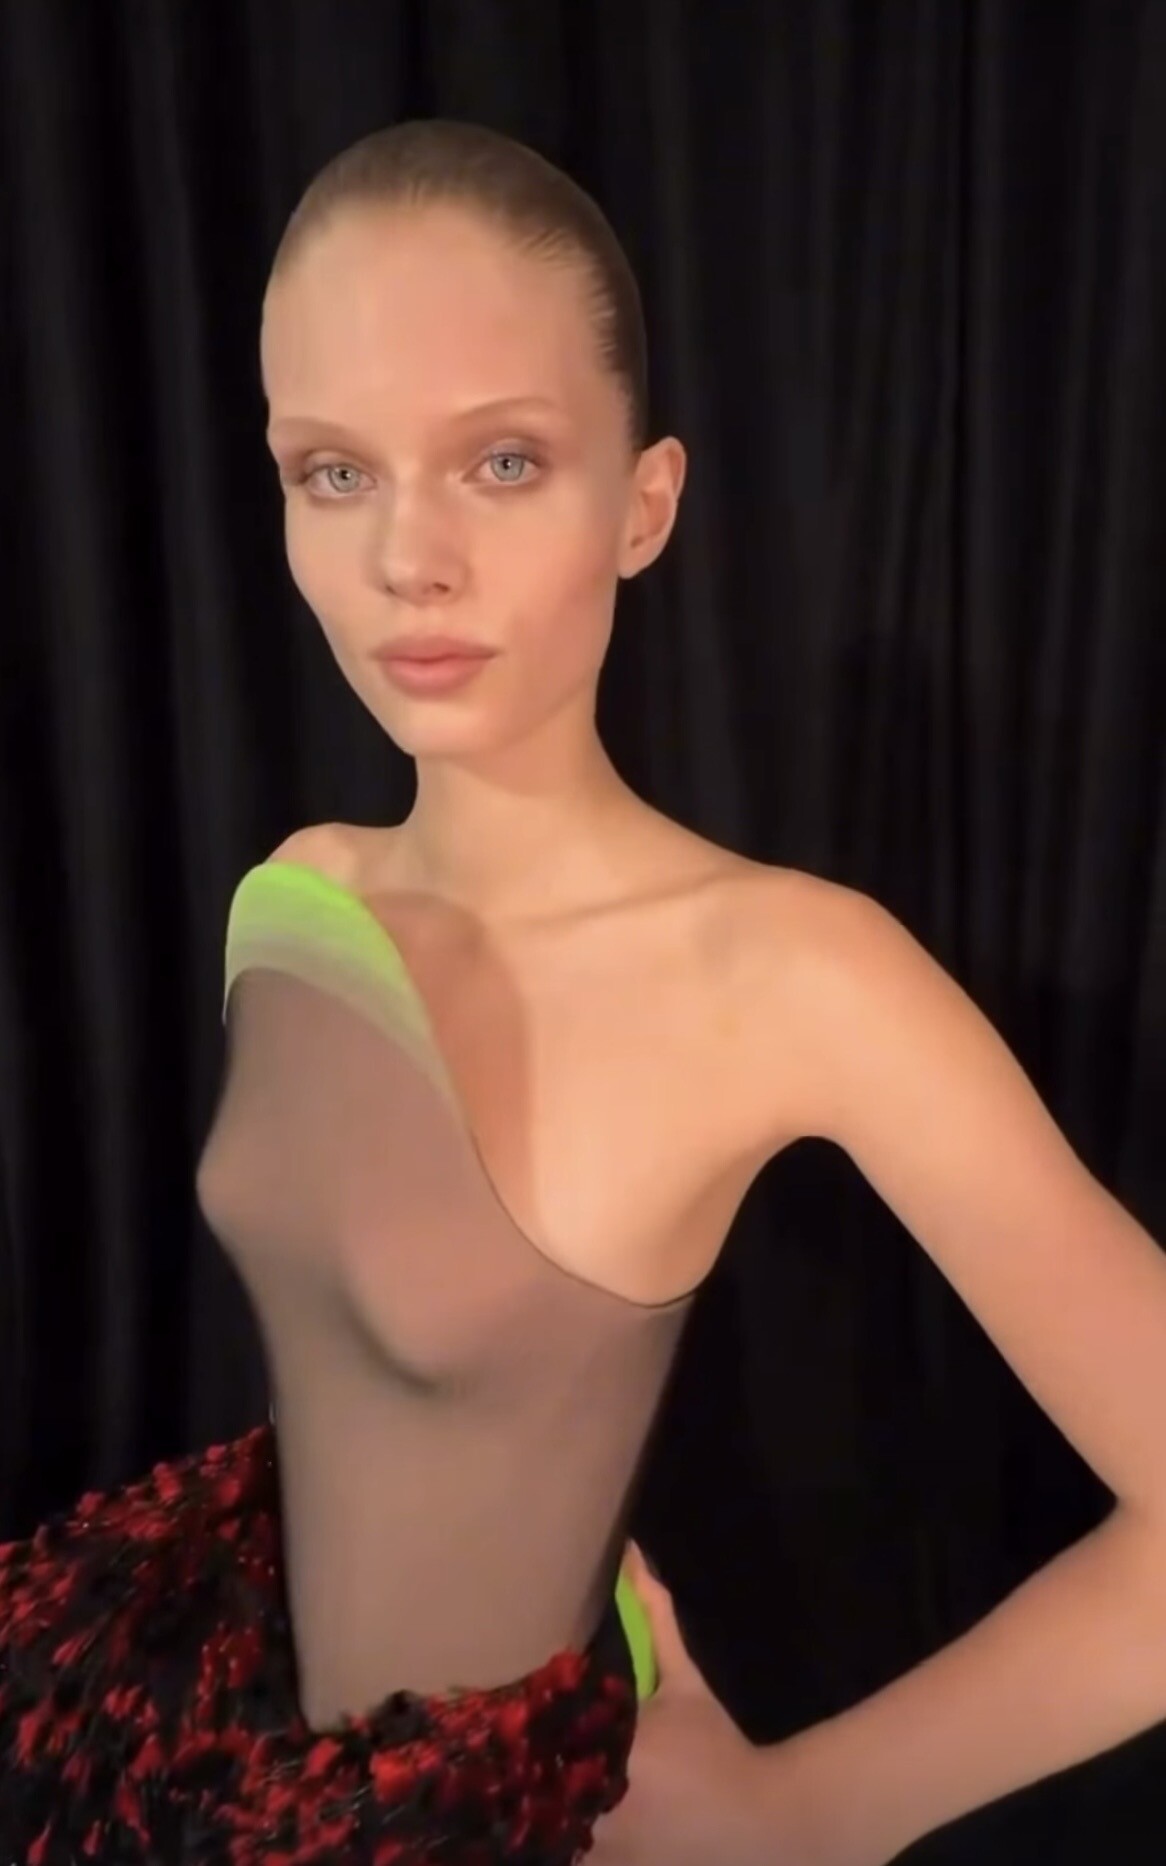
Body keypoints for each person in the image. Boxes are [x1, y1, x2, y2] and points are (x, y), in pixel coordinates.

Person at [2, 117, 1165, 1866]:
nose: (408, 559)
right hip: (198, 1733)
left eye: (502, 461)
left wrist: (808, 1815)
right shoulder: (294, 898)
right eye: (334, 472)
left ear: (643, 502)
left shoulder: (787, 972)